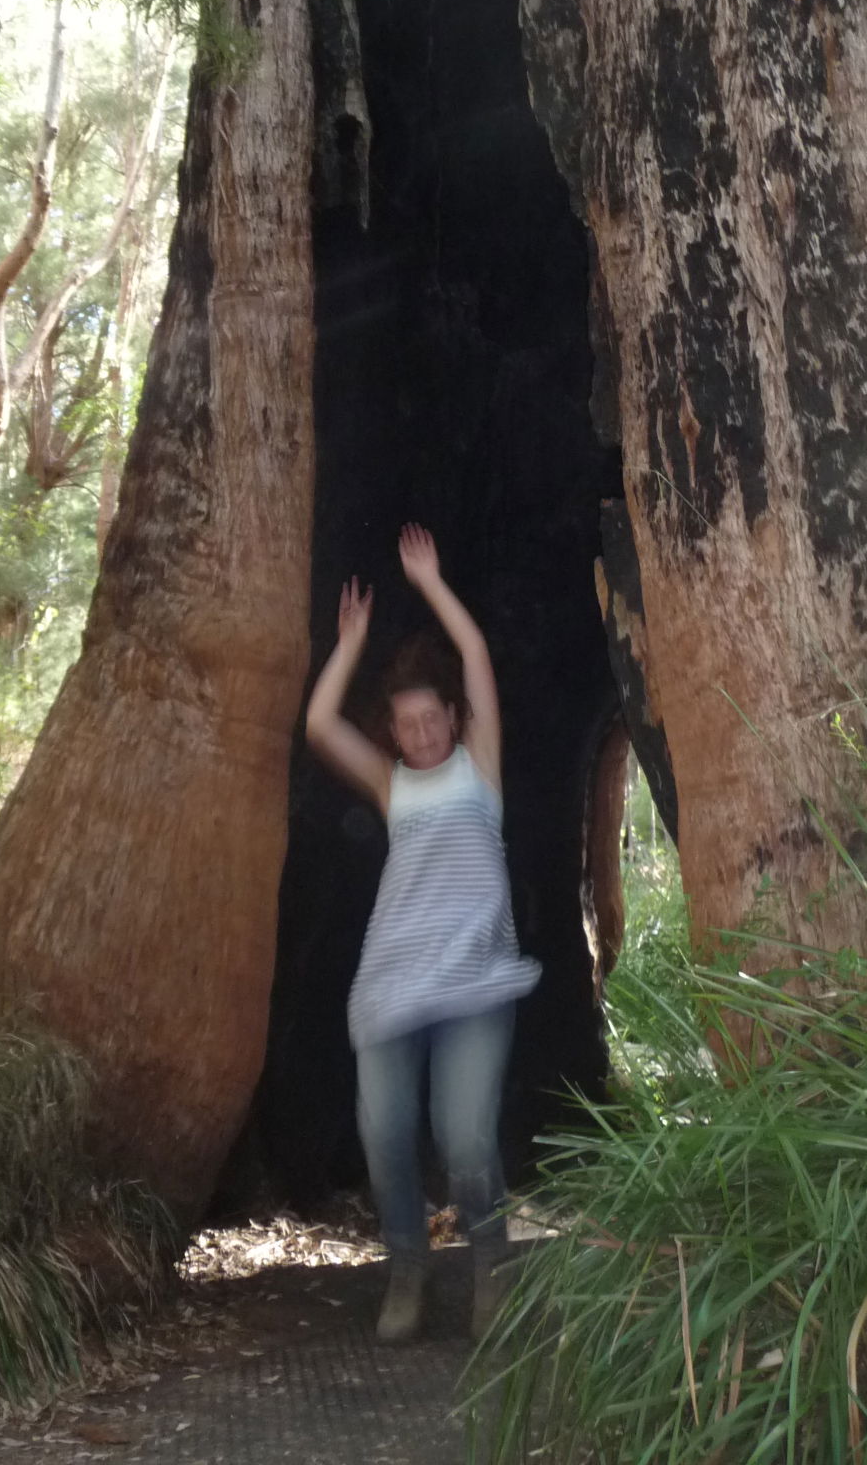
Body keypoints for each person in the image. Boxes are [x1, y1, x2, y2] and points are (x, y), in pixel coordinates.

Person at [304, 523, 540, 1344]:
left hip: (475, 980)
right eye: (405, 725)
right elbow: (320, 725)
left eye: (431, 718)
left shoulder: (480, 765)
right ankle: (407, 1268)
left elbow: (473, 652)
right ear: (395, 732)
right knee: (385, 1135)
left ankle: (491, 1267)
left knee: (467, 1139)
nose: (420, 734)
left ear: (451, 716)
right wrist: (350, 643)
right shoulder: (392, 783)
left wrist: (433, 583)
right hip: (393, 982)